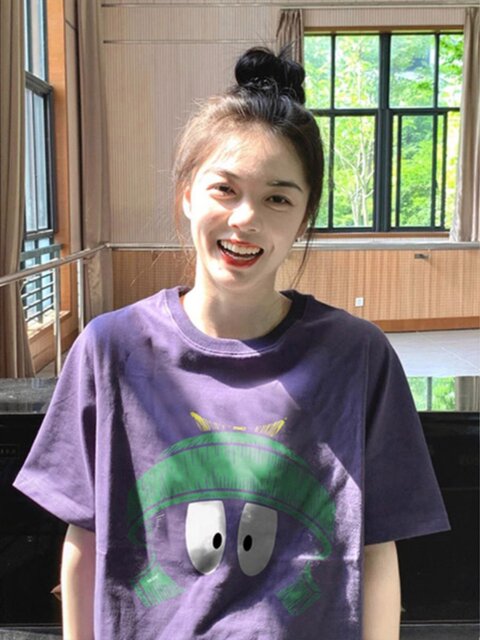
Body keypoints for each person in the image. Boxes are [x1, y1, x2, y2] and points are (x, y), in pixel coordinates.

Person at [14, 47, 449, 640]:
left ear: (304, 217)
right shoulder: (110, 348)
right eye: (225, 189)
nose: (246, 218)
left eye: (277, 198)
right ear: (187, 194)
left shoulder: (357, 357)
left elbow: (375, 552)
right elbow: (85, 542)